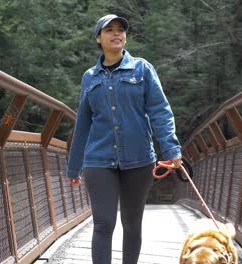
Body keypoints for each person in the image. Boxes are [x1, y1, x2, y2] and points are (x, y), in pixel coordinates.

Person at [66, 14, 182, 264]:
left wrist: (171, 148)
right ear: (99, 38)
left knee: (131, 224)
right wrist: (73, 166)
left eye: (120, 30)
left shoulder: (142, 69)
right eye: (109, 30)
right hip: (98, 159)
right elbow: (83, 123)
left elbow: (160, 110)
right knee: (103, 223)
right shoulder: (90, 77)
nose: (116, 34)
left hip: (139, 160)